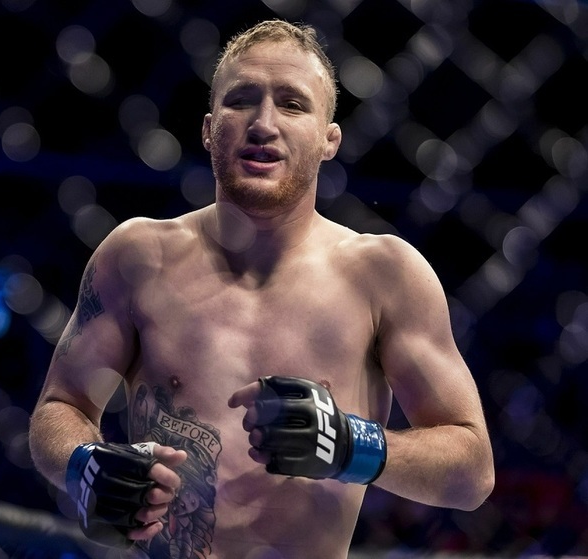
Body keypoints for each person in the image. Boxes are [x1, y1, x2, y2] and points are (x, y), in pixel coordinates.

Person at [28, 18, 495, 559]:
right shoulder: (136, 256)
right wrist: (85, 462)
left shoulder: (383, 274)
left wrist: (351, 444)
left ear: (329, 139)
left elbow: (473, 471)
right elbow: (60, 406)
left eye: (292, 104)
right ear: (209, 129)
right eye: (242, 100)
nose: (263, 124)